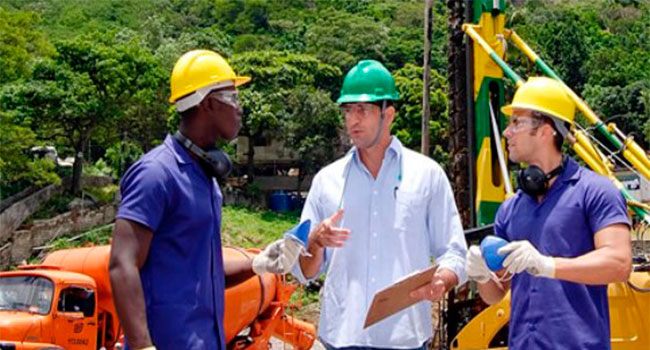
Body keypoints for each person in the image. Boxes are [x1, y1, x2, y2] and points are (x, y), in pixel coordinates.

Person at [108, 50, 300, 350]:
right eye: (233, 98)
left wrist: (259, 263)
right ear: (209, 102)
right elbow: (122, 263)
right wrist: (142, 345)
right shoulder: (156, 173)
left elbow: (203, 273)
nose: (240, 109)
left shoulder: (206, 179)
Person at [292, 60, 468, 349]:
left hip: (405, 340)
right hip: (342, 339)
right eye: (348, 110)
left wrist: (443, 280)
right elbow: (305, 271)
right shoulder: (327, 181)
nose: (352, 120)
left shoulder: (426, 175)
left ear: (389, 114)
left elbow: (454, 253)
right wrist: (315, 241)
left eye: (362, 110)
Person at [465, 77, 632, 350]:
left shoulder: (596, 192)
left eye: (516, 122)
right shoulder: (511, 208)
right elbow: (497, 293)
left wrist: (547, 266)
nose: (507, 132)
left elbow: (619, 264)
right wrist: (483, 275)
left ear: (545, 130)